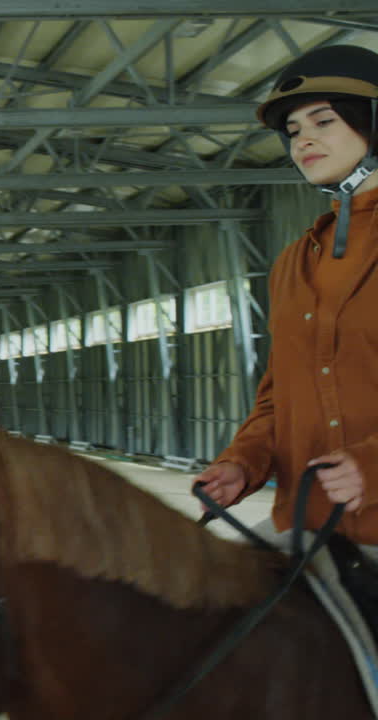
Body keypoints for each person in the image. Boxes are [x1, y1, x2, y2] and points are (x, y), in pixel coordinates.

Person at [195, 44, 378, 546]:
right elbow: (281, 397)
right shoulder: (295, 263)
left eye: (323, 123)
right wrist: (242, 462)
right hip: (313, 526)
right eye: (294, 131)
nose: (304, 141)